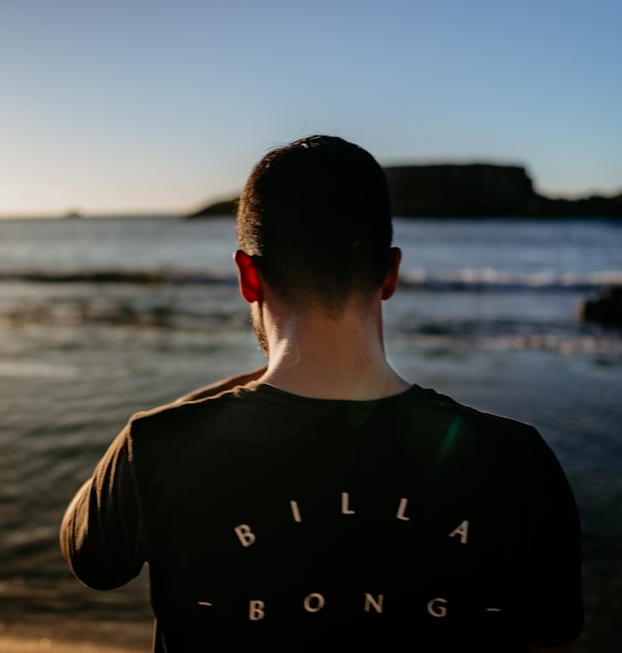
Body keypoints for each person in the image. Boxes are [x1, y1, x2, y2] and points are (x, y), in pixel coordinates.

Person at [60, 135, 583, 652]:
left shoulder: (156, 446)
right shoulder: (517, 460)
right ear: (389, 272)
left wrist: (200, 403)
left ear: (248, 276)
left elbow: (92, 560)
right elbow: (550, 632)